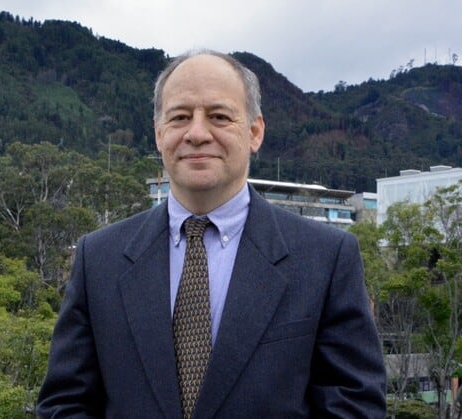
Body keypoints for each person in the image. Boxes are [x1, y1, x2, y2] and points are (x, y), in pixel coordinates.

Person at [36, 50, 387, 418]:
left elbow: (353, 405)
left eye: (219, 117)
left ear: (254, 132)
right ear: (159, 134)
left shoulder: (325, 258)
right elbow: (65, 404)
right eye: (180, 117)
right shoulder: (99, 259)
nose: (198, 133)